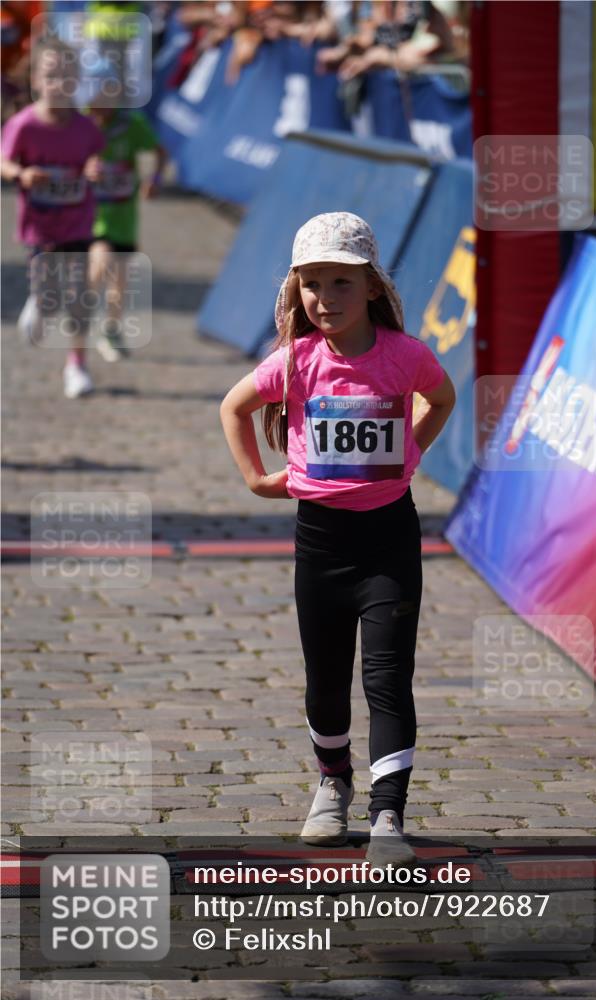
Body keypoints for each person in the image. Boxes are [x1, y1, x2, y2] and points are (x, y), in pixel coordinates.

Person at [220, 212, 456, 865]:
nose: (325, 299)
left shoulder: (405, 356)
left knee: (387, 677)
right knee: (325, 681)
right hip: (320, 544)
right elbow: (233, 407)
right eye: (312, 285)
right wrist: (256, 480)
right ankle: (332, 782)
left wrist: (409, 450)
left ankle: (388, 815)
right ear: (295, 291)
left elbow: (441, 398)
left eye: (341, 283)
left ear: (373, 286)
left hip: (388, 541)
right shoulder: (296, 362)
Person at [0, 37, 105, 398]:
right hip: (40, 225)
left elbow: (96, 155)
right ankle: (41, 301)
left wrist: (93, 168)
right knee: (49, 288)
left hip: (77, 222)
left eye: (66, 76)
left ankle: (76, 365)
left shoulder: (86, 127)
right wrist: (20, 174)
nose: (59, 84)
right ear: (35, 80)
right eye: (50, 75)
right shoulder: (24, 125)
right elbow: (4, 161)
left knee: (79, 295)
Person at [84, 58, 167, 361]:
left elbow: (160, 152)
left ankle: (110, 330)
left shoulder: (132, 124)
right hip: (89, 218)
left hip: (124, 218)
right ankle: (80, 310)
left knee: (119, 281)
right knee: (100, 261)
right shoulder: (79, 123)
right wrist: (83, 168)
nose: (99, 106)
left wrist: (154, 180)